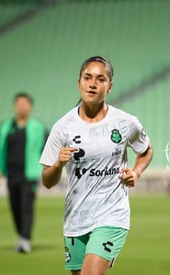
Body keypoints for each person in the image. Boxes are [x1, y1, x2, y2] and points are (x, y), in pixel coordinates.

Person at [40, 56, 153, 275]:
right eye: (87, 77)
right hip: (76, 217)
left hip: (112, 215)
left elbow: (146, 150)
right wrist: (58, 164)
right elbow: (47, 181)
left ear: (109, 86)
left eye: (100, 79)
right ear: (79, 83)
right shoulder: (63, 127)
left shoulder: (125, 122)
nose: (92, 84)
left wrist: (136, 172)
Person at [0, 92, 47, 253]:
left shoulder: (38, 127)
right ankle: (22, 236)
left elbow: (48, 149)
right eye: (19, 103)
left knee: (26, 206)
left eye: (25, 103)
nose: (22, 106)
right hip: (12, 173)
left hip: (30, 174)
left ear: (30, 106)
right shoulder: (6, 127)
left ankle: (25, 239)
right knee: (15, 207)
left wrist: (47, 169)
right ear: (15, 106)